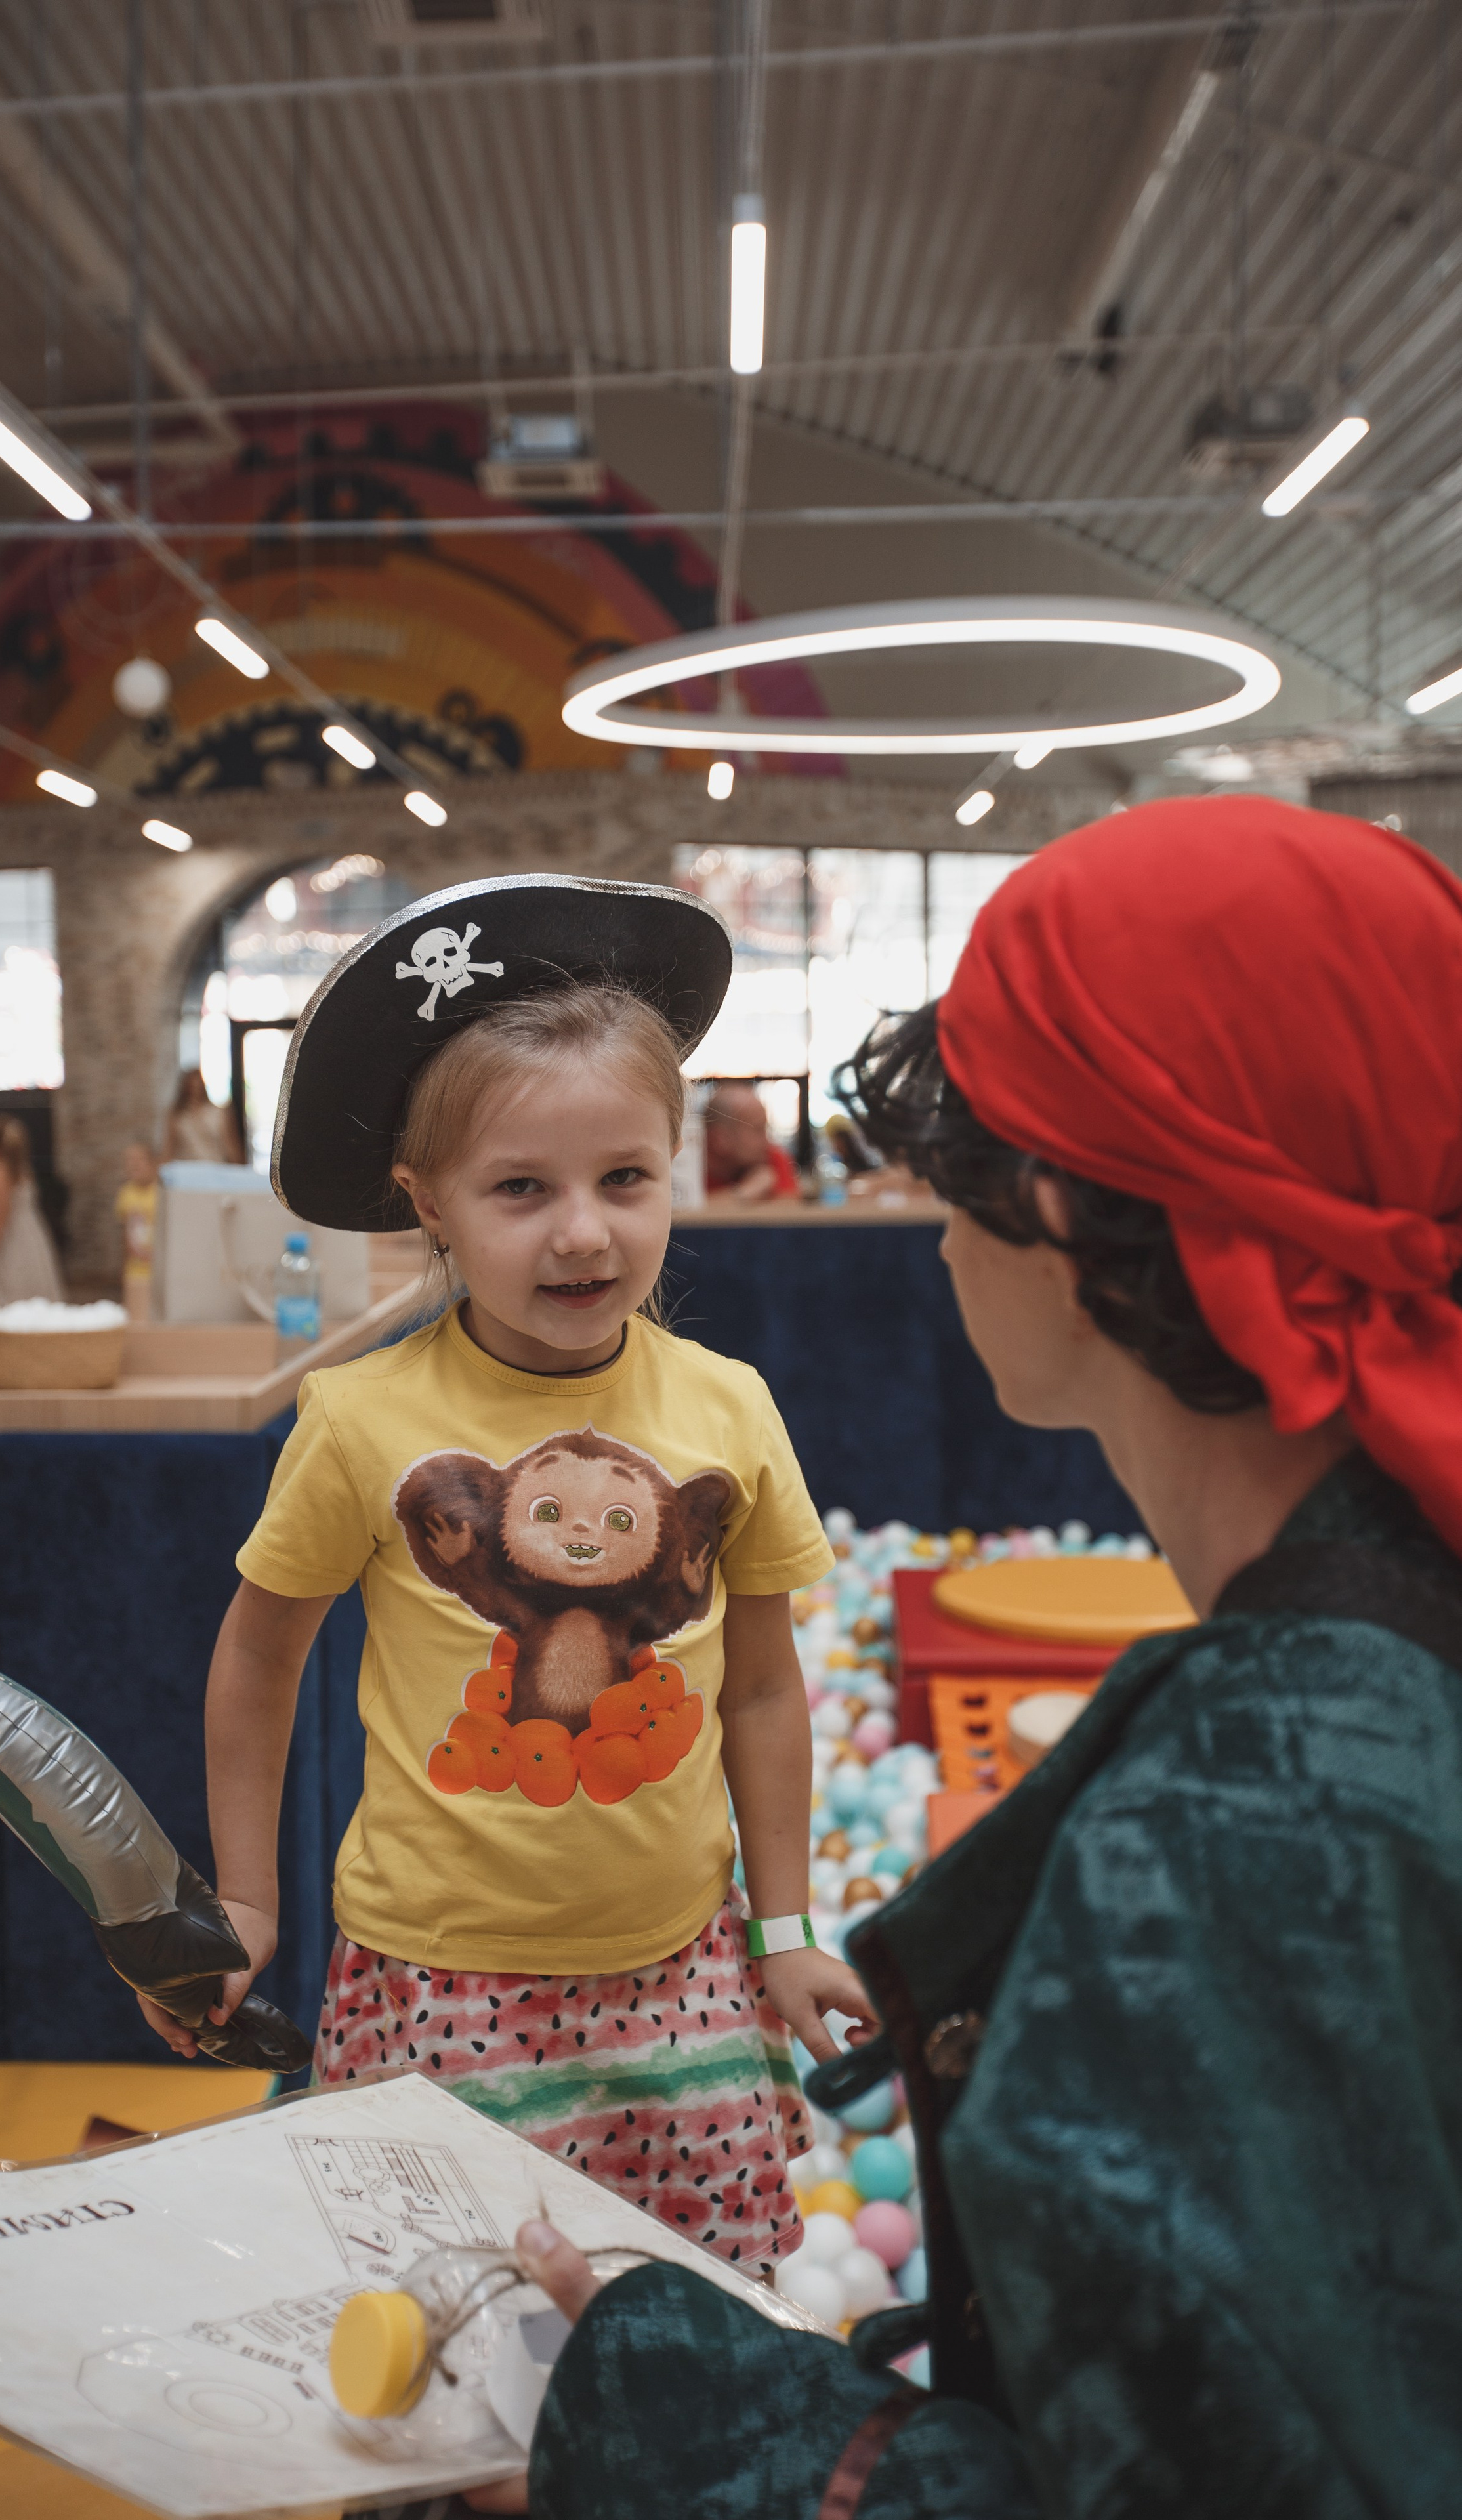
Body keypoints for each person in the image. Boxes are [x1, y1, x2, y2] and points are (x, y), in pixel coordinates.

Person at [497, 795, 1462, 2518]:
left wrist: (660, 2396)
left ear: (1068, 1216)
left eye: (964, 1168)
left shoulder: (1242, 1842)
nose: (938, 1229)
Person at [137, 874, 877, 2273]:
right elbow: (258, 1655)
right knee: (441, 2341)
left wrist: (782, 1927)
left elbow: (765, 1695)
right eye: (520, 1189)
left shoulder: (728, 1409)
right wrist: (242, 1904)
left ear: (678, 1168)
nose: (582, 1232)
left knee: (683, 2332)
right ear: (428, 1204)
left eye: (623, 1179)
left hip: (681, 1978)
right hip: (436, 1982)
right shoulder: (360, 1423)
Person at [0, 1114, 65, 1312]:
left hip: (7, 1243)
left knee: (3, 1295)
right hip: (25, 1238)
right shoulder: (16, 1169)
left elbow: (1, 1212)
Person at [703, 1082, 801, 1202]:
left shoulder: (771, 1158)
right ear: (720, 1139)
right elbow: (686, 1214)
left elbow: (791, 1210)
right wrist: (745, 1192)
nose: (767, 1141)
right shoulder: (688, 1165)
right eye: (758, 1130)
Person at [114, 1142, 159, 1322]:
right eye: (129, 1160)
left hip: (157, 1266)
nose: (135, 1164)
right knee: (137, 1315)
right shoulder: (126, 1194)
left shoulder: (161, 1192)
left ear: (153, 1163)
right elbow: (125, 1234)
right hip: (136, 1268)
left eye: (140, 1159)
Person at [163, 1068, 243, 1166]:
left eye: (199, 1087)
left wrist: (240, 1168)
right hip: (189, 1169)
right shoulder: (178, 1116)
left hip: (217, 1167)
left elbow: (230, 1145)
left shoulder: (218, 1113)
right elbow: (169, 1149)